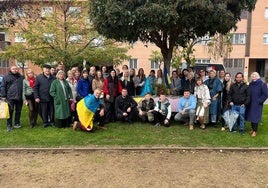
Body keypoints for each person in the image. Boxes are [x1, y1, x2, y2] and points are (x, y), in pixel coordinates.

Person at [1, 66, 24, 132]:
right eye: (13, 69)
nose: (15, 70)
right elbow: (3, 87)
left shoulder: (21, 77)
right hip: (10, 97)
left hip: (19, 97)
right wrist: (3, 96)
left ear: (18, 69)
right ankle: (9, 125)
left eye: (16, 69)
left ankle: (17, 123)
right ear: (10, 70)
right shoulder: (6, 77)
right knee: (10, 111)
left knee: (18, 111)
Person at [246, 72, 268, 137]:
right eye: (252, 75)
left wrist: (259, 101)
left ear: (258, 76)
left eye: (255, 75)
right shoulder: (251, 84)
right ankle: (253, 129)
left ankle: (255, 131)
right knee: (251, 117)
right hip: (250, 103)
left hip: (257, 104)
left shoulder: (262, 84)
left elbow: (265, 94)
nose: (253, 76)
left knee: (255, 117)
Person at [34, 64, 56, 128]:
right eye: (46, 69)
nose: (47, 70)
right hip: (42, 97)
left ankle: (52, 122)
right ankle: (45, 122)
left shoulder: (54, 78)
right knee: (44, 110)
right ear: (43, 70)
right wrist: (36, 97)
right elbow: (35, 88)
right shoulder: (39, 77)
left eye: (48, 69)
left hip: (52, 97)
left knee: (52, 110)